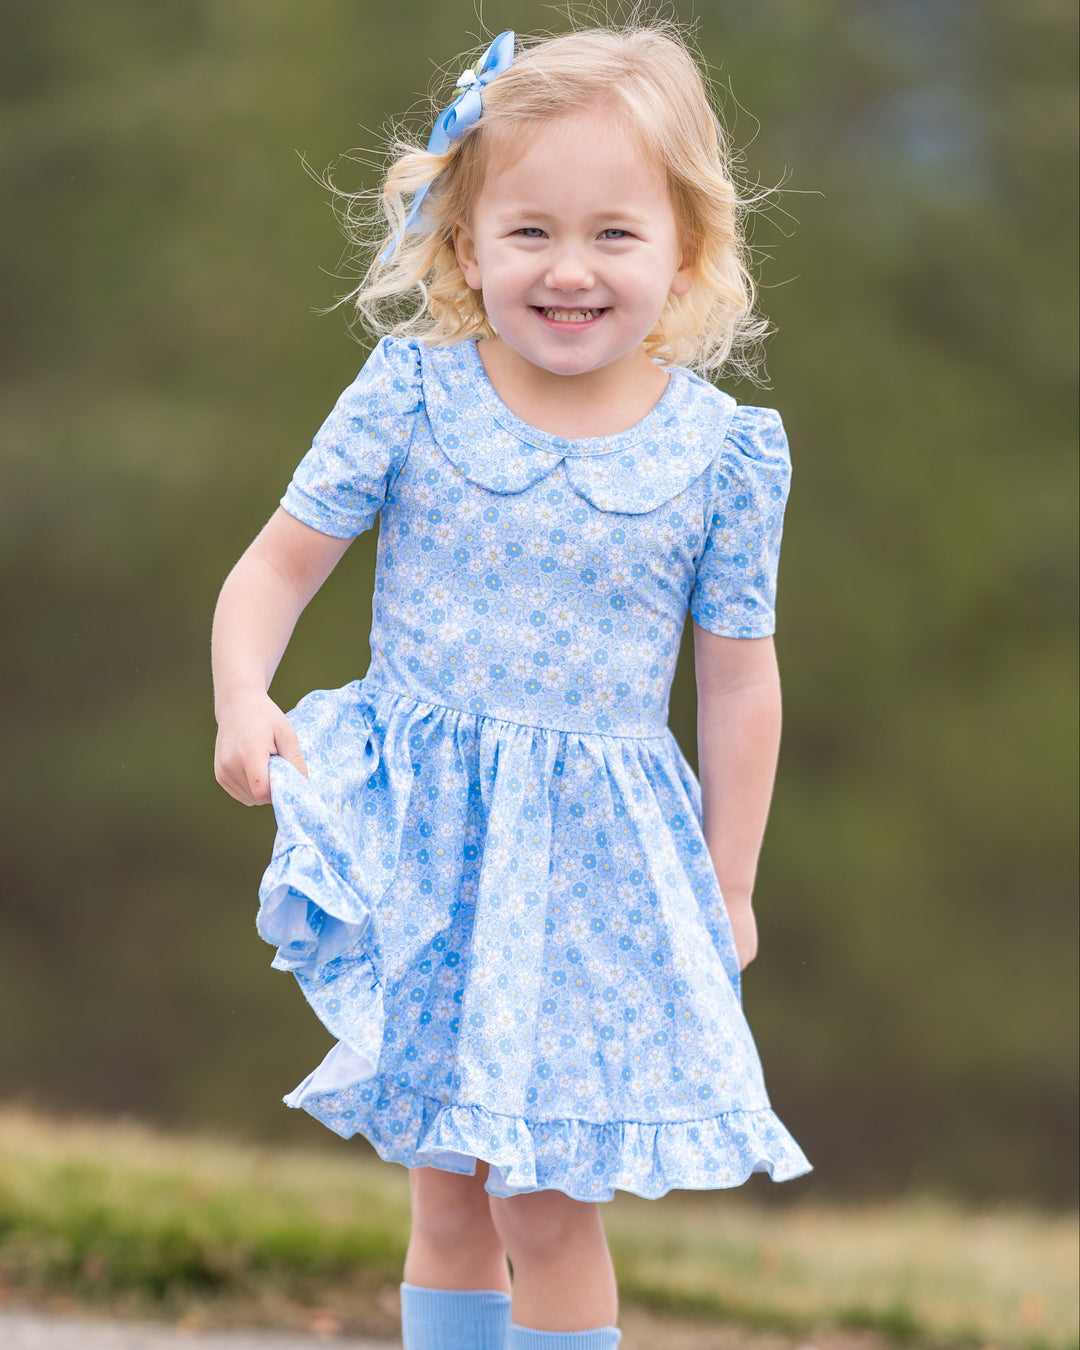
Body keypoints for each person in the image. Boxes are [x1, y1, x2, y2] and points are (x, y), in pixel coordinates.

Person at [212, 21, 811, 1350]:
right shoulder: (412, 397)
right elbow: (272, 571)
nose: (570, 268)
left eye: (614, 232)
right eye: (530, 230)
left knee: (545, 1201)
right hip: (433, 846)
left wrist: (729, 879)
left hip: (596, 874)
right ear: (464, 241)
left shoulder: (720, 458)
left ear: (689, 249)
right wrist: (243, 696)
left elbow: (739, 690)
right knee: (449, 1195)